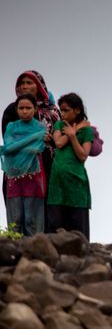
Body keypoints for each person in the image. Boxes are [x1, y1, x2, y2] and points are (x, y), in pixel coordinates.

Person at [3, 71, 60, 203]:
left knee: (45, 214)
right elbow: (9, 139)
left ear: (39, 86)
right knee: (19, 216)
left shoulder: (53, 111)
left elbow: (58, 140)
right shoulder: (13, 110)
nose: (24, 86)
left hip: (48, 166)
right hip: (19, 169)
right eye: (21, 83)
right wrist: (37, 137)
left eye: (29, 83)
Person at [46, 93, 94, 238]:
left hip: (76, 184)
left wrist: (73, 136)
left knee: (78, 230)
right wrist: (76, 129)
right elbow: (58, 143)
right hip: (57, 184)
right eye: (61, 110)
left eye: (66, 110)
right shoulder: (59, 125)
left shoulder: (87, 131)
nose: (63, 114)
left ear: (77, 110)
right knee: (56, 227)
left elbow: (82, 156)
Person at [0, 94, 47, 235]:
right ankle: (14, 251)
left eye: (28, 108)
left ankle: (34, 250)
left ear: (35, 109)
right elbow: (8, 146)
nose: (24, 111)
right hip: (14, 176)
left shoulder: (40, 127)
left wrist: (19, 147)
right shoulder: (11, 127)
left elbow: (36, 147)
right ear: (16, 109)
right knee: (15, 217)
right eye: (21, 108)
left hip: (34, 176)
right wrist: (30, 144)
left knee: (32, 217)